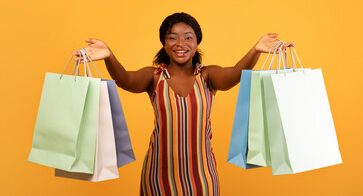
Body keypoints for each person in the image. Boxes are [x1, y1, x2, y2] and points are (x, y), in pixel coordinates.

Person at [73, 12, 294, 196]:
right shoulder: (154, 77)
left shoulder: (207, 76)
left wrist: (255, 49)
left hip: (202, 175)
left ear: (197, 42)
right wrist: (109, 56)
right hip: (158, 175)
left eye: (188, 37)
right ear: (164, 42)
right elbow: (125, 80)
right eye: (172, 38)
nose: (181, 43)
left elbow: (236, 73)